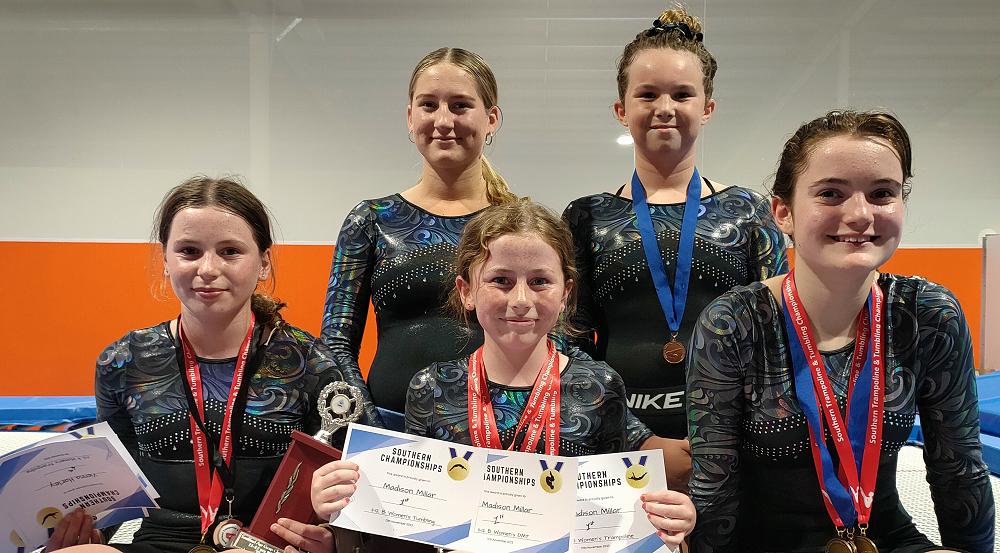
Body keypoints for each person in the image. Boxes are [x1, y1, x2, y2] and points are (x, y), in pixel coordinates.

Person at [687, 110, 995, 552]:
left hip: (885, 539)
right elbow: (714, 490)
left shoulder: (926, 314)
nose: (860, 214)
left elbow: (960, 471)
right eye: (831, 193)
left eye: (882, 193)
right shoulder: (733, 323)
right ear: (783, 212)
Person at [47, 177, 378, 553]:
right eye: (189, 251)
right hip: (158, 543)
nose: (207, 268)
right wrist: (84, 533)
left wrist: (330, 537)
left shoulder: (308, 362)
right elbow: (111, 493)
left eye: (229, 251)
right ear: (166, 260)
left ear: (263, 263)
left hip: (261, 544)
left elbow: (348, 497)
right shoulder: (125, 361)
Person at [562, 6, 787, 490]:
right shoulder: (587, 217)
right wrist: (638, 437)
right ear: (621, 109)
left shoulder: (748, 212)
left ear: (708, 108)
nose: (664, 107)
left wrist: (723, 436)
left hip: (731, 440)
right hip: (616, 439)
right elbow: (569, 345)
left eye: (682, 94)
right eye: (647, 94)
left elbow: (776, 340)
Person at [401, 200, 696, 548]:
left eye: (540, 281)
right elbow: (414, 509)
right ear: (467, 291)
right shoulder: (432, 388)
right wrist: (355, 495)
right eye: (501, 280)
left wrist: (669, 517)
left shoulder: (598, 387)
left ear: (565, 294)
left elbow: (620, 503)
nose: (521, 299)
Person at [320, 47, 517, 430]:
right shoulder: (372, 220)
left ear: (491, 119)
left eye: (460, 106)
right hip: (388, 431)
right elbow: (335, 344)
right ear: (410, 117)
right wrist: (371, 428)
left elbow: (553, 340)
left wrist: (518, 424)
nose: (443, 120)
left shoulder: (518, 226)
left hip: (497, 434)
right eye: (429, 105)